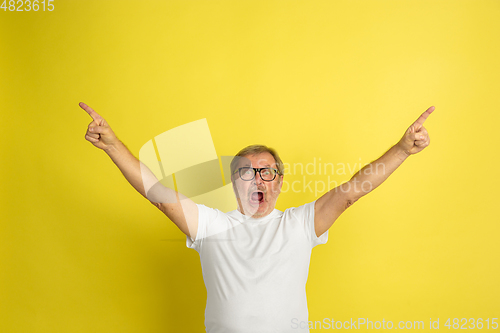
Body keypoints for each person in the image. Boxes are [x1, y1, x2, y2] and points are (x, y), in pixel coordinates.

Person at [80, 102, 434, 332]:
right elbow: (157, 194)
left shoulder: (298, 224)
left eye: (266, 172)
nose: (257, 179)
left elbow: (353, 191)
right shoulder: (212, 225)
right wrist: (112, 144)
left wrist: (403, 149)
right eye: (246, 172)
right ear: (234, 182)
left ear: (279, 182)